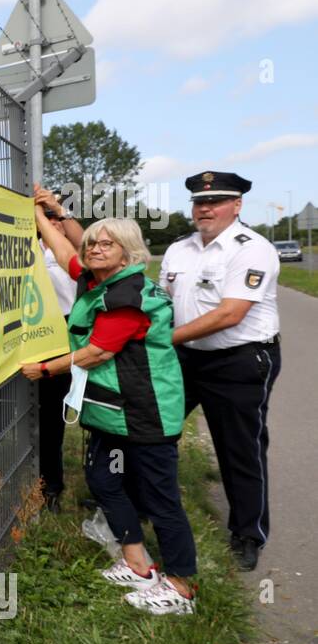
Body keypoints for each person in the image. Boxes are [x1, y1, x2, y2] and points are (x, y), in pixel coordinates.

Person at [23, 211, 197, 615]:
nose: (95, 249)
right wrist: (39, 215)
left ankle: (180, 585)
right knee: (103, 480)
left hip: (145, 413)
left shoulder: (128, 296)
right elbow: (68, 253)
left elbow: (98, 350)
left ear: (127, 253)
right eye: (93, 243)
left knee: (160, 498)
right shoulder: (98, 280)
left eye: (107, 244)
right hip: (113, 412)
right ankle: (138, 565)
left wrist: (44, 369)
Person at [160, 171, 280, 571]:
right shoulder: (179, 249)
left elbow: (231, 313)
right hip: (186, 357)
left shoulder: (252, 249)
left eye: (216, 201)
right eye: (199, 202)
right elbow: (164, 300)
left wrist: (164, 338)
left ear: (238, 205)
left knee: (239, 449)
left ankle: (248, 533)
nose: (205, 208)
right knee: (152, 429)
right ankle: (141, 501)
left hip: (238, 360)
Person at [32, 185, 84, 512]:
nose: (51, 223)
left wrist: (57, 210)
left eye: (56, 217)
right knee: (7, 412)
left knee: (51, 417)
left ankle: (51, 487)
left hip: (64, 332)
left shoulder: (72, 253)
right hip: (27, 332)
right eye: (44, 218)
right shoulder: (22, 248)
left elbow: (84, 243)